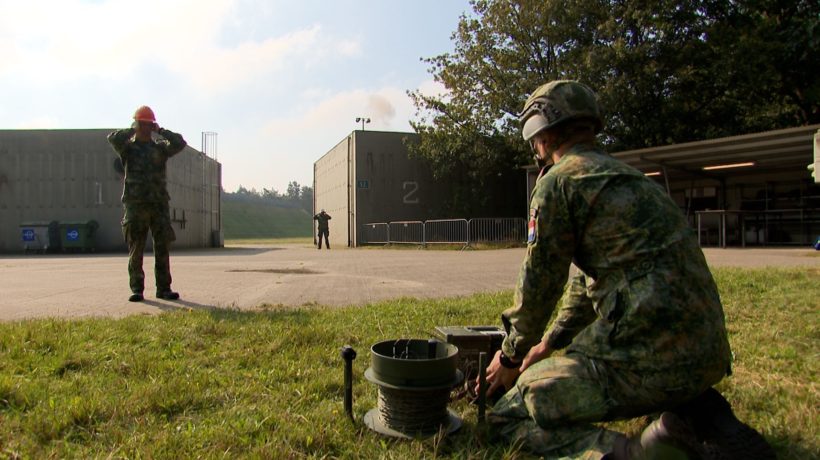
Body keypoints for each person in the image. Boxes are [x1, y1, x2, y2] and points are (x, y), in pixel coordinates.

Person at [479, 81, 773, 459]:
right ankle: (700, 416)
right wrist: (547, 345)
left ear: (542, 130)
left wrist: (510, 357)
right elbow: (588, 284)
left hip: (646, 355)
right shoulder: (629, 178)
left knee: (510, 413)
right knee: (565, 369)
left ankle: (634, 452)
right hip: (704, 355)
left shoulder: (559, 182)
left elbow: (539, 283)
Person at [107, 106, 187, 302]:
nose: (144, 128)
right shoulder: (128, 148)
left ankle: (164, 288)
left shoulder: (159, 148)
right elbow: (113, 138)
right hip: (136, 204)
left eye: (147, 124)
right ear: (135, 124)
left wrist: (161, 131)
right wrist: (132, 129)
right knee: (137, 248)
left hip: (158, 203)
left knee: (162, 247)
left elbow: (180, 143)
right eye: (141, 124)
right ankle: (137, 289)